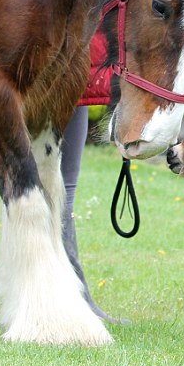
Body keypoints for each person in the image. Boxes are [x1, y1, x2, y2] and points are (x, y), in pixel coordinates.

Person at [61, 30, 121, 322]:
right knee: (56, 191)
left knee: (64, 192)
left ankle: (75, 293)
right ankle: (74, 294)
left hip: (76, 67)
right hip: (65, 63)